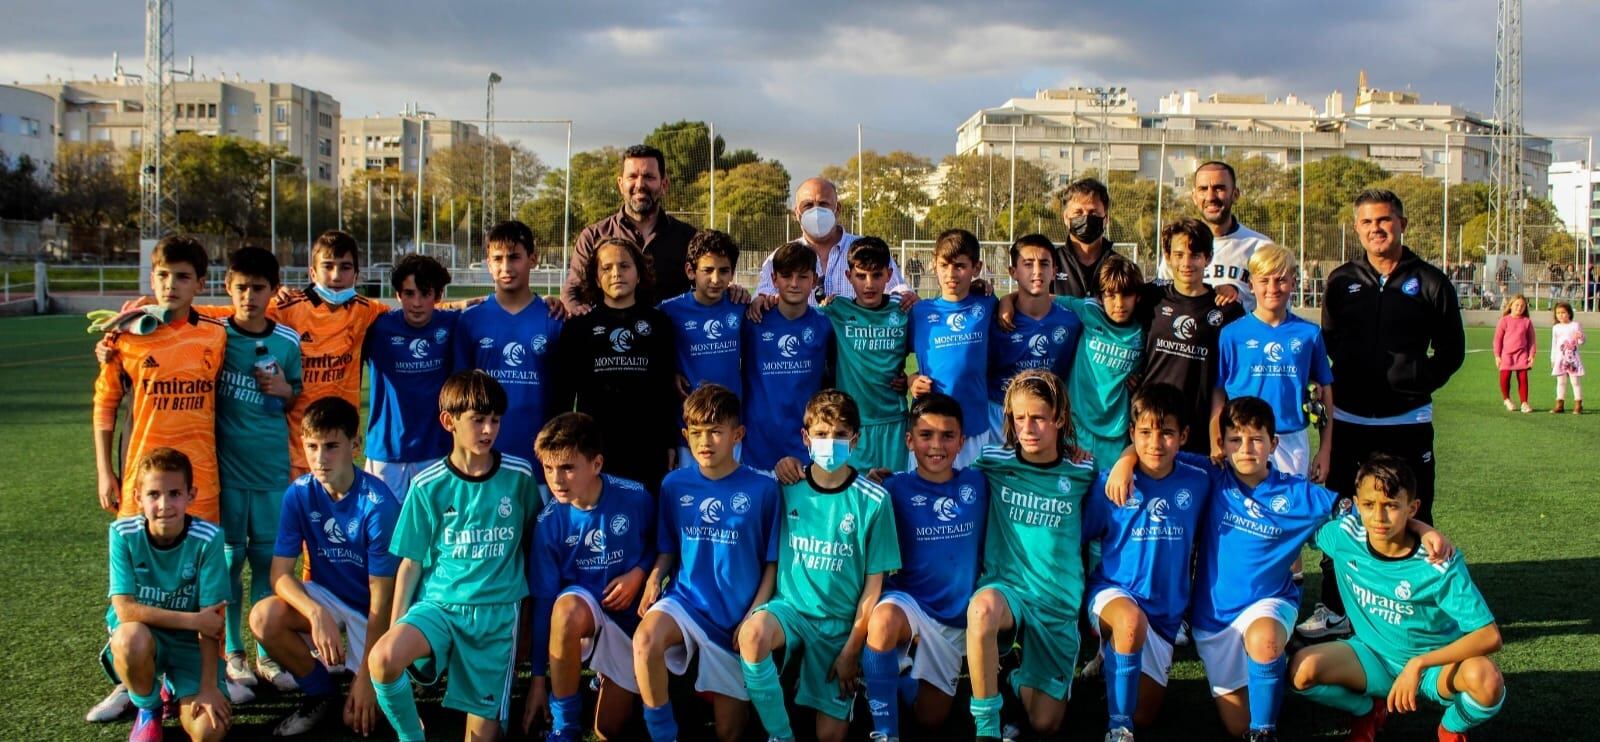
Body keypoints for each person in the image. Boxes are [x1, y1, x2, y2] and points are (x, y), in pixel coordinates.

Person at [1311, 188, 1465, 641]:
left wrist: (1415, 381)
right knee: (1343, 514)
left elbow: (1452, 351)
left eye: (1384, 221)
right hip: (1352, 421)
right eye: (1367, 223)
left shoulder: (1432, 281)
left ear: (1401, 224)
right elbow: (1330, 345)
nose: (1376, 229)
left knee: (1414, 512)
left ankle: (1419, 608)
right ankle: (1336, 607)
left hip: (1407, 422)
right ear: (1357, 228)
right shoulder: (1341, 280)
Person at [368, 370, 540, 742]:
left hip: (497, 617)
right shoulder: (427, 484)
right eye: (477, 420)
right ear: (449, 421)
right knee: (382, 659)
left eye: (494, 420)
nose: (488, 430)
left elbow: (531, 550)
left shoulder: (520, 476)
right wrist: (397, 623)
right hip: (440, 607)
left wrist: (527, 624)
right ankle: (412, 737)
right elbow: (411, 564)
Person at [1290, 455, 1504, 742]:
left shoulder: (1437, 562)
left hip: (1433, 667)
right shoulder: (1343, 536)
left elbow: (1489, 636)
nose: (1378, 517)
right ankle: (1366, 709)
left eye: (1391, 506)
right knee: (1300, 671)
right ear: (1356, 504)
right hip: (1372, 657)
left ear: (1412, 508)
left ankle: (1451, 728)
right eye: (1368, 505)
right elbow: (1293, 520)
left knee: (1487, 680)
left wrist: (1419, 664)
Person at [737, 389, 900, 742]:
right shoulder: (785, 487)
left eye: (840, 435)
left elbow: (874, 587)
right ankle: (780, 735)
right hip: (790, 611)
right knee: (752, 635)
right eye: (822, 434)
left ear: (855, 440)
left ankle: (874, 685)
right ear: (805, 438)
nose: (830, 443)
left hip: (839, 627)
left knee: (830, 736)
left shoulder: (874, 500)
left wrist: (852, 650)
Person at [634, 385, 781, 742]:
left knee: (730, 732)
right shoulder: (673, 484)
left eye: (716, 431)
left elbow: (772, 564)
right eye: (696, 433)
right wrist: (655, 578)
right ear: (685, 435)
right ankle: (662, 733)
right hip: (687, 602)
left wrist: (754, 614)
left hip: (735, 617)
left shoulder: (764, 489)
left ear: (737, 435)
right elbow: (668, 548)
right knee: (645, 640)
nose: (705, 442)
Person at [250, 397, 402, 736]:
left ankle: (376, 678)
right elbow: (280, 575)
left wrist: (365, 678)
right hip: (328, 599)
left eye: (331, 446)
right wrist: (315, 613)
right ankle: (322, 694)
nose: (320, 459)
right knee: (263, 617)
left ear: (355, 445)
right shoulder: (299, 493)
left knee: (360, 722)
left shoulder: (378, 506)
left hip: (373, 614)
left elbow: (383, 602)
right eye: (312, 446)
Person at [965, 369, 1097, 741]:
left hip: (1056, 600)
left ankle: (1013, 677)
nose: (1028, 427)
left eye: (1038, 417)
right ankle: (987, 728)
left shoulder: (1084, 468)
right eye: (1019, 418)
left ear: (1058, 418)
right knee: (981, 611)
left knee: (1045, 724)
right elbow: (944, 477)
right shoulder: (993, 460)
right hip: (1007, 588)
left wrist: (1128, 459)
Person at [1082, 384, 1210, 740]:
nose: (1156, 443)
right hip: (1116, 592)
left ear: (1183, 435)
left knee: (1148, 714)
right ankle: (1118, 727)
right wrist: (1124, 462)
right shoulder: (1111, 485)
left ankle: (1114, 660)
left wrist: (1126, 456)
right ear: (1132, 434)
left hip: (1166, 612)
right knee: (1129, 623)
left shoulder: (1199, 479)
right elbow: (1078, 536)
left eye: (1167, 432)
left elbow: (1232, 467)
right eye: (1145, 433)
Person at [524, 412, 656, 741]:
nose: (556, 479)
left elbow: (663, 546)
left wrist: (639, 573)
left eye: (568, 467)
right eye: (549, 468)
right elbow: (543, 607)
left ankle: (609, 676)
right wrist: (538, 682)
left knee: (610, 729)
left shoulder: (636, 496)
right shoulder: (549, 522)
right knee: (565, 609)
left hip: (629, 624)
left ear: (596, 464)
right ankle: (564, 727)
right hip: (584, 618)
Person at [864, 393, 989, 739]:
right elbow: (836, 486)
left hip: (954, 619)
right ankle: (884, 732)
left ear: (962, 441)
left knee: (930, 719)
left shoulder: (979, 483)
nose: (937, 445)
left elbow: (1029, 461)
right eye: (925, 435)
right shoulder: (890, 488)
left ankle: (896, 675)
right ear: (909, 441)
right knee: (883, 622)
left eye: (948, 436)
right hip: (909, 602)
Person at [211, 246, 303, 692]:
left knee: (268, 564)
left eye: (259, 288)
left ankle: (267, 652)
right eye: (241, 287)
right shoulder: (215, 337)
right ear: (228, 288)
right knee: (229, 562)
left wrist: (284, 389)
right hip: (225, 471)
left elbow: (293, 398)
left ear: (273, 291)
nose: (249, 296)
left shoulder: (286, 343)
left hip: (271, 468)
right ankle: (234, 653)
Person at [93, 235, 228, 525]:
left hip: (200, 476)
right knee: (140, 565)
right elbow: (105, 406)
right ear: (152, 279)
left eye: (182, 277)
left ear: (200, 285)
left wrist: (282, 298)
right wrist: (105, 472)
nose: (171, 284)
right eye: (164, 275)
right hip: (140, 475)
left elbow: (247, 310)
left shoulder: (216, 334)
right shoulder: (125, 336)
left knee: (198, 565)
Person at [101, 448, 231, 742]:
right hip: (146, 638)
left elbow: (211, 621)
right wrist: (193, 620)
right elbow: (126, 612)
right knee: (129, 638)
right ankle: (149, 708)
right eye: (154, 494)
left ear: (191, 495)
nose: (164, 505)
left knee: (209, 732)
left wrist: (209, 686)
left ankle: (175, 687)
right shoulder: (123, 533)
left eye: (174, 493)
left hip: (191, 648)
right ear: (137, 498)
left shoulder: (209, 539)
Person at [552, 236, 680, 492]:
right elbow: (564, 393)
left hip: (647, 446)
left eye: (624, 266)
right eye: (606, 267)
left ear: (639, 273)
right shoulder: (579, 327)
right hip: (595, 447)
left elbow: (666, 389)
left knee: (644, 520)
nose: (616, 273)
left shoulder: (659, 324)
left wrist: (669, 441)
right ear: (596, 277)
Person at [1213, 244, 1335, 479]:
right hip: (1242, 438)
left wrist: (1325, 449)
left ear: (1294, 283)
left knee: (1287, 511)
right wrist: (1215, 439)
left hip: (1291, 440)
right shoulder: (1231, 334)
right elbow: (1218, 391)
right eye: (1264, 280)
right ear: (1251, 285)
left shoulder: (1309, 333)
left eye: (1281, 280)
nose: (1272, 288)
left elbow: (1326, 390)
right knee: (1244, 512)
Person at [452, 221, 565, 466]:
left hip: (540, 459)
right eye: (497, 258)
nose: (506, 267)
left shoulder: (555, 319)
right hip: (483, 458)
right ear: (488, 263)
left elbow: (564, 395)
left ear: (533, 259)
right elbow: (460, 394)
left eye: (514, 257)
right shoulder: (471, 319)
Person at [1139, 219, 1245, 454]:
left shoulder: (1227, 310)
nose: (1186, 263)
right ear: (1168, 256)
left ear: (1208, 257)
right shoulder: (1150, 297)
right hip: (1149, 425)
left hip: (1199, 429)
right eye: (1178, 254)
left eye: (1195, 254)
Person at [815, 237, 914, 472]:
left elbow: (933, 354)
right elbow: (798, 315)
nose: (869, 284)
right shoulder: (836, 311)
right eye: (861, 276)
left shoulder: (903, 312)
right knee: (854, 495)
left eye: (877, 275)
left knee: (893, 492)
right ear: (849, 277)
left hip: (894, 422)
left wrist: (911, 379)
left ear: (889, 275)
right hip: (851, 423)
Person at [363, 255, 458, 499]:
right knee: (383, 530)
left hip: (436, 450)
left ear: (438, 296)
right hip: (386, 452)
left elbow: (487, 308)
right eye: (409, 293)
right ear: (397, 295)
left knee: (433, 531)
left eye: (425, 294)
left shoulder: (452, 324)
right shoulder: (377, 327)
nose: (417, 303)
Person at [563, 144, 698, 313]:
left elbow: (708, 285)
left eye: (649, 176)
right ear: (620, 184)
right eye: (632, 176)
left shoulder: (689, 238)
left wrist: (734, 293)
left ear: (664, 184)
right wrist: (580, 315)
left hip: (670, 336)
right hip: (612, 337)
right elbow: (572, 291)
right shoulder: (593, 236)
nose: (640, 184)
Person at [740, 241, 833, 473]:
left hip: (806, 447)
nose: (794, 284)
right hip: (757, 446)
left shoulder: (825, 324)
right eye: (786, 276)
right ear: (774, 280)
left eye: (802, 277)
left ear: (814, 281)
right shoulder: (753, 320)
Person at [908, 229, 997, 468]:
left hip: (973, 428)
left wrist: (1000, 298)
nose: (951, 274)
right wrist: (910, 381)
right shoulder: (919, 311)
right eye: (944, 265)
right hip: (928, 428)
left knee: (971, 498)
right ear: (933, 264)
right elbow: (893, 363)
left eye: (960, 266)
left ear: (976, 268)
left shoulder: (989, 305)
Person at [753, 177, 911, 306]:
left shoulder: (867, 249)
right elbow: (762, 298)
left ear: (838, 209)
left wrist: (906, 295)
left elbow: (898, 290)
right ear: (797, 213)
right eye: (808, 205)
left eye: (823, 204)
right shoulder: (779, 258)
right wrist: (759, 299)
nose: (816, 211)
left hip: (856, 341)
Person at [1055, 255, 1146, 470]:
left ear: (1138, 297)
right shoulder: (1089, 310)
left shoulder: (1144, 331)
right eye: (1110, 295)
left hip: (1116, 434)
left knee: (1109, 497)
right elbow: (1042, 299)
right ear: (1099, 296)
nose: (1119, 304)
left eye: (1127, 295)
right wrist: (1008, 301)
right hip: (1076, 427)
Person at [986, 234, 1080, 440]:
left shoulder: (1072, 321)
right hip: (1000, 416)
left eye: (1044, 264)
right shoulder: (994, 319)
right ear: (1013, 272)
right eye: (1028, 264)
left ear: (1054, 272)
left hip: (1047, 418)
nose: (1037, 271)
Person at [1181, 161, 1272, 311]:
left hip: (1242, 334)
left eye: (1219, 188)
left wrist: (1238, 292)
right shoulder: (1178, 248)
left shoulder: (1261, 247)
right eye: (1203, 189)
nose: (1210, 196)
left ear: (1235, 194)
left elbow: (1278, 308)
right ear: (1194, 197)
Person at [1051, 177, 1123, 298]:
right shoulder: (1051, 262)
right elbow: (1029, 298)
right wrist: (1010, 299)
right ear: (1065, 218)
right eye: (1078, 213)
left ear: (1106, 219)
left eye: (1093, 213)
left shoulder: (1121, 266)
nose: (1086, 219)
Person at [1493, 294, 1536, 413]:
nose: (1519, 307)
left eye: (1522, 306)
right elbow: (1497, 339)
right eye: (1517, 305)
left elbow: (1532, 340)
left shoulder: (1527, 322)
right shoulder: (1504, 321)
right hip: (1506, 355)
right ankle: (1506, 399)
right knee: (1505, 376)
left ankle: (1524, 403)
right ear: (1511, 305)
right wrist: (1497, 356)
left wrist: (1531, 355)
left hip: (1522, 354)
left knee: (1523, 378)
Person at [1550, 301, 1586, 414]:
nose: (1560, 315)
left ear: (1569, 313)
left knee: (1575, 382)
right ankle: (1559, 404)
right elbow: (1554, 344)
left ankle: (1578, 404)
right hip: (1560, 360)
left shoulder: (1575, 325)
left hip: (1572, 359)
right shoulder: (1556, 327)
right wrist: (1553, 358)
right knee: (1561, 382)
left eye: (1563, 312)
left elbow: (1581, 341)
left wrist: (1580, 337)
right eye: (1558, 313)